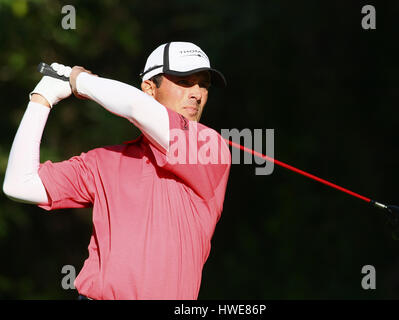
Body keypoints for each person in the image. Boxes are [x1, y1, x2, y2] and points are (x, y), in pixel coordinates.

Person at [2, 41, 231, 300]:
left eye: (203, 85)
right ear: (149, 88)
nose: (197, 94)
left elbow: (137, 108)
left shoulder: (209, 147)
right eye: (184, 82)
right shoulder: (104, 161)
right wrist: (41, 99)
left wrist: (80, 82)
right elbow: (19, 184)